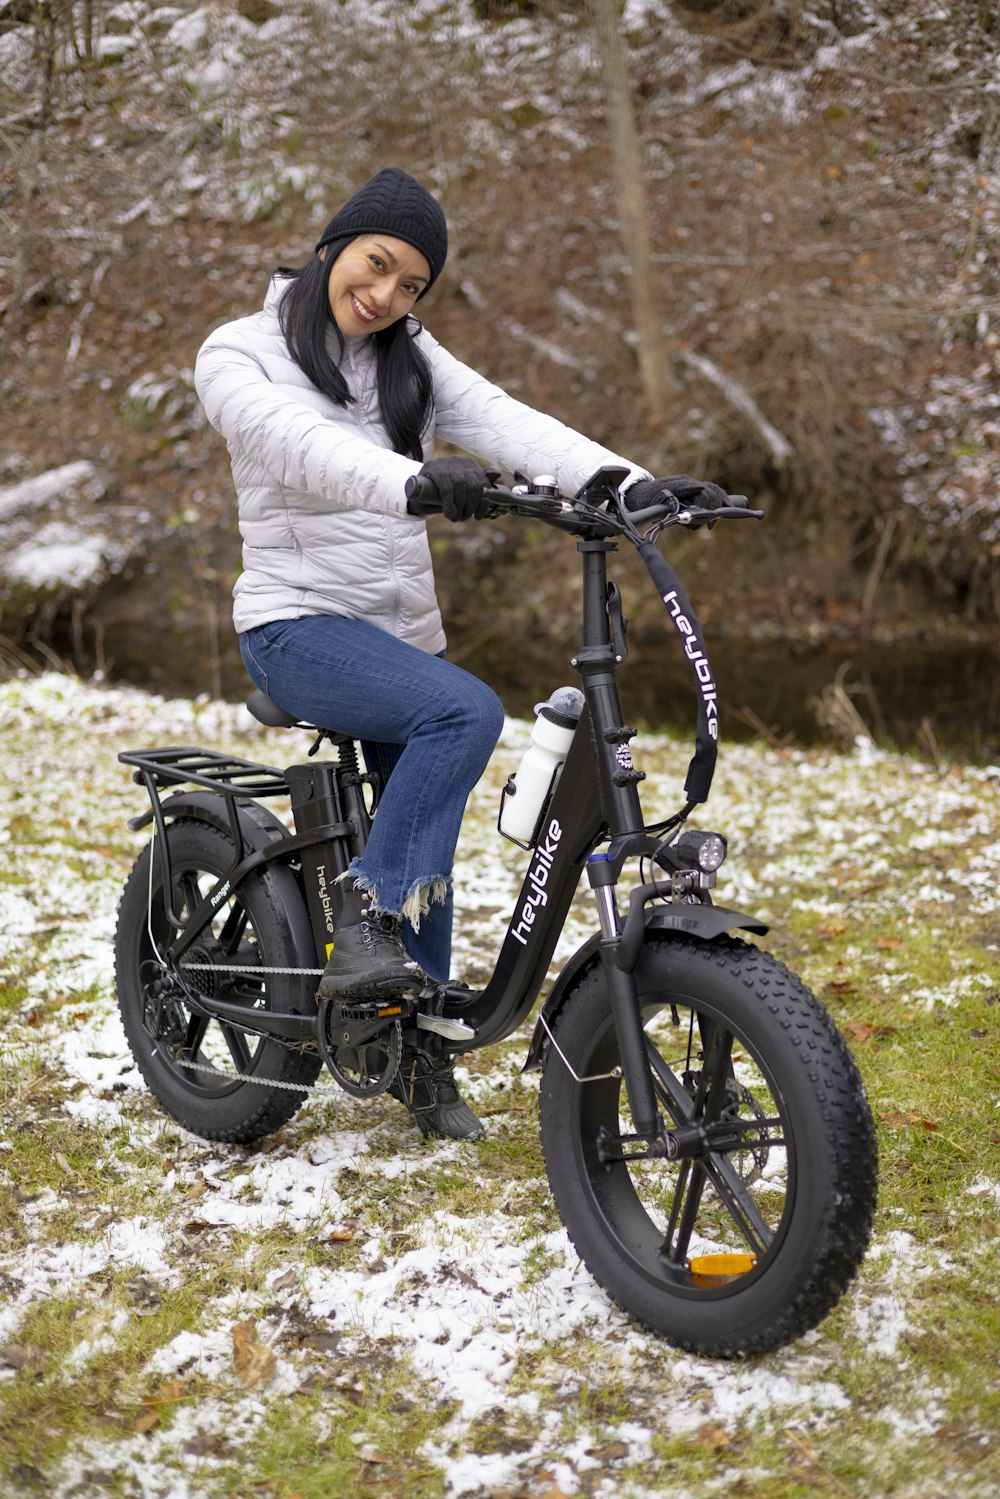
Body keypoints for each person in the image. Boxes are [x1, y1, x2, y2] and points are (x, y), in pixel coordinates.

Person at [194, 167, 727, 1141]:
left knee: (424, 833)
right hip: (292, 625)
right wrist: (416, 482)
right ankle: (361, 915)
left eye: (412, 285)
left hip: (397, 636)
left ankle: (418, 1043)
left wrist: (627, 483)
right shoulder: (240, 354)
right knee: (466, 710)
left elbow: (505, 420)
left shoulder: (406, 360)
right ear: (334, 247)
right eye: (378, 265)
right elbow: (301, 447)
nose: (388, 294)